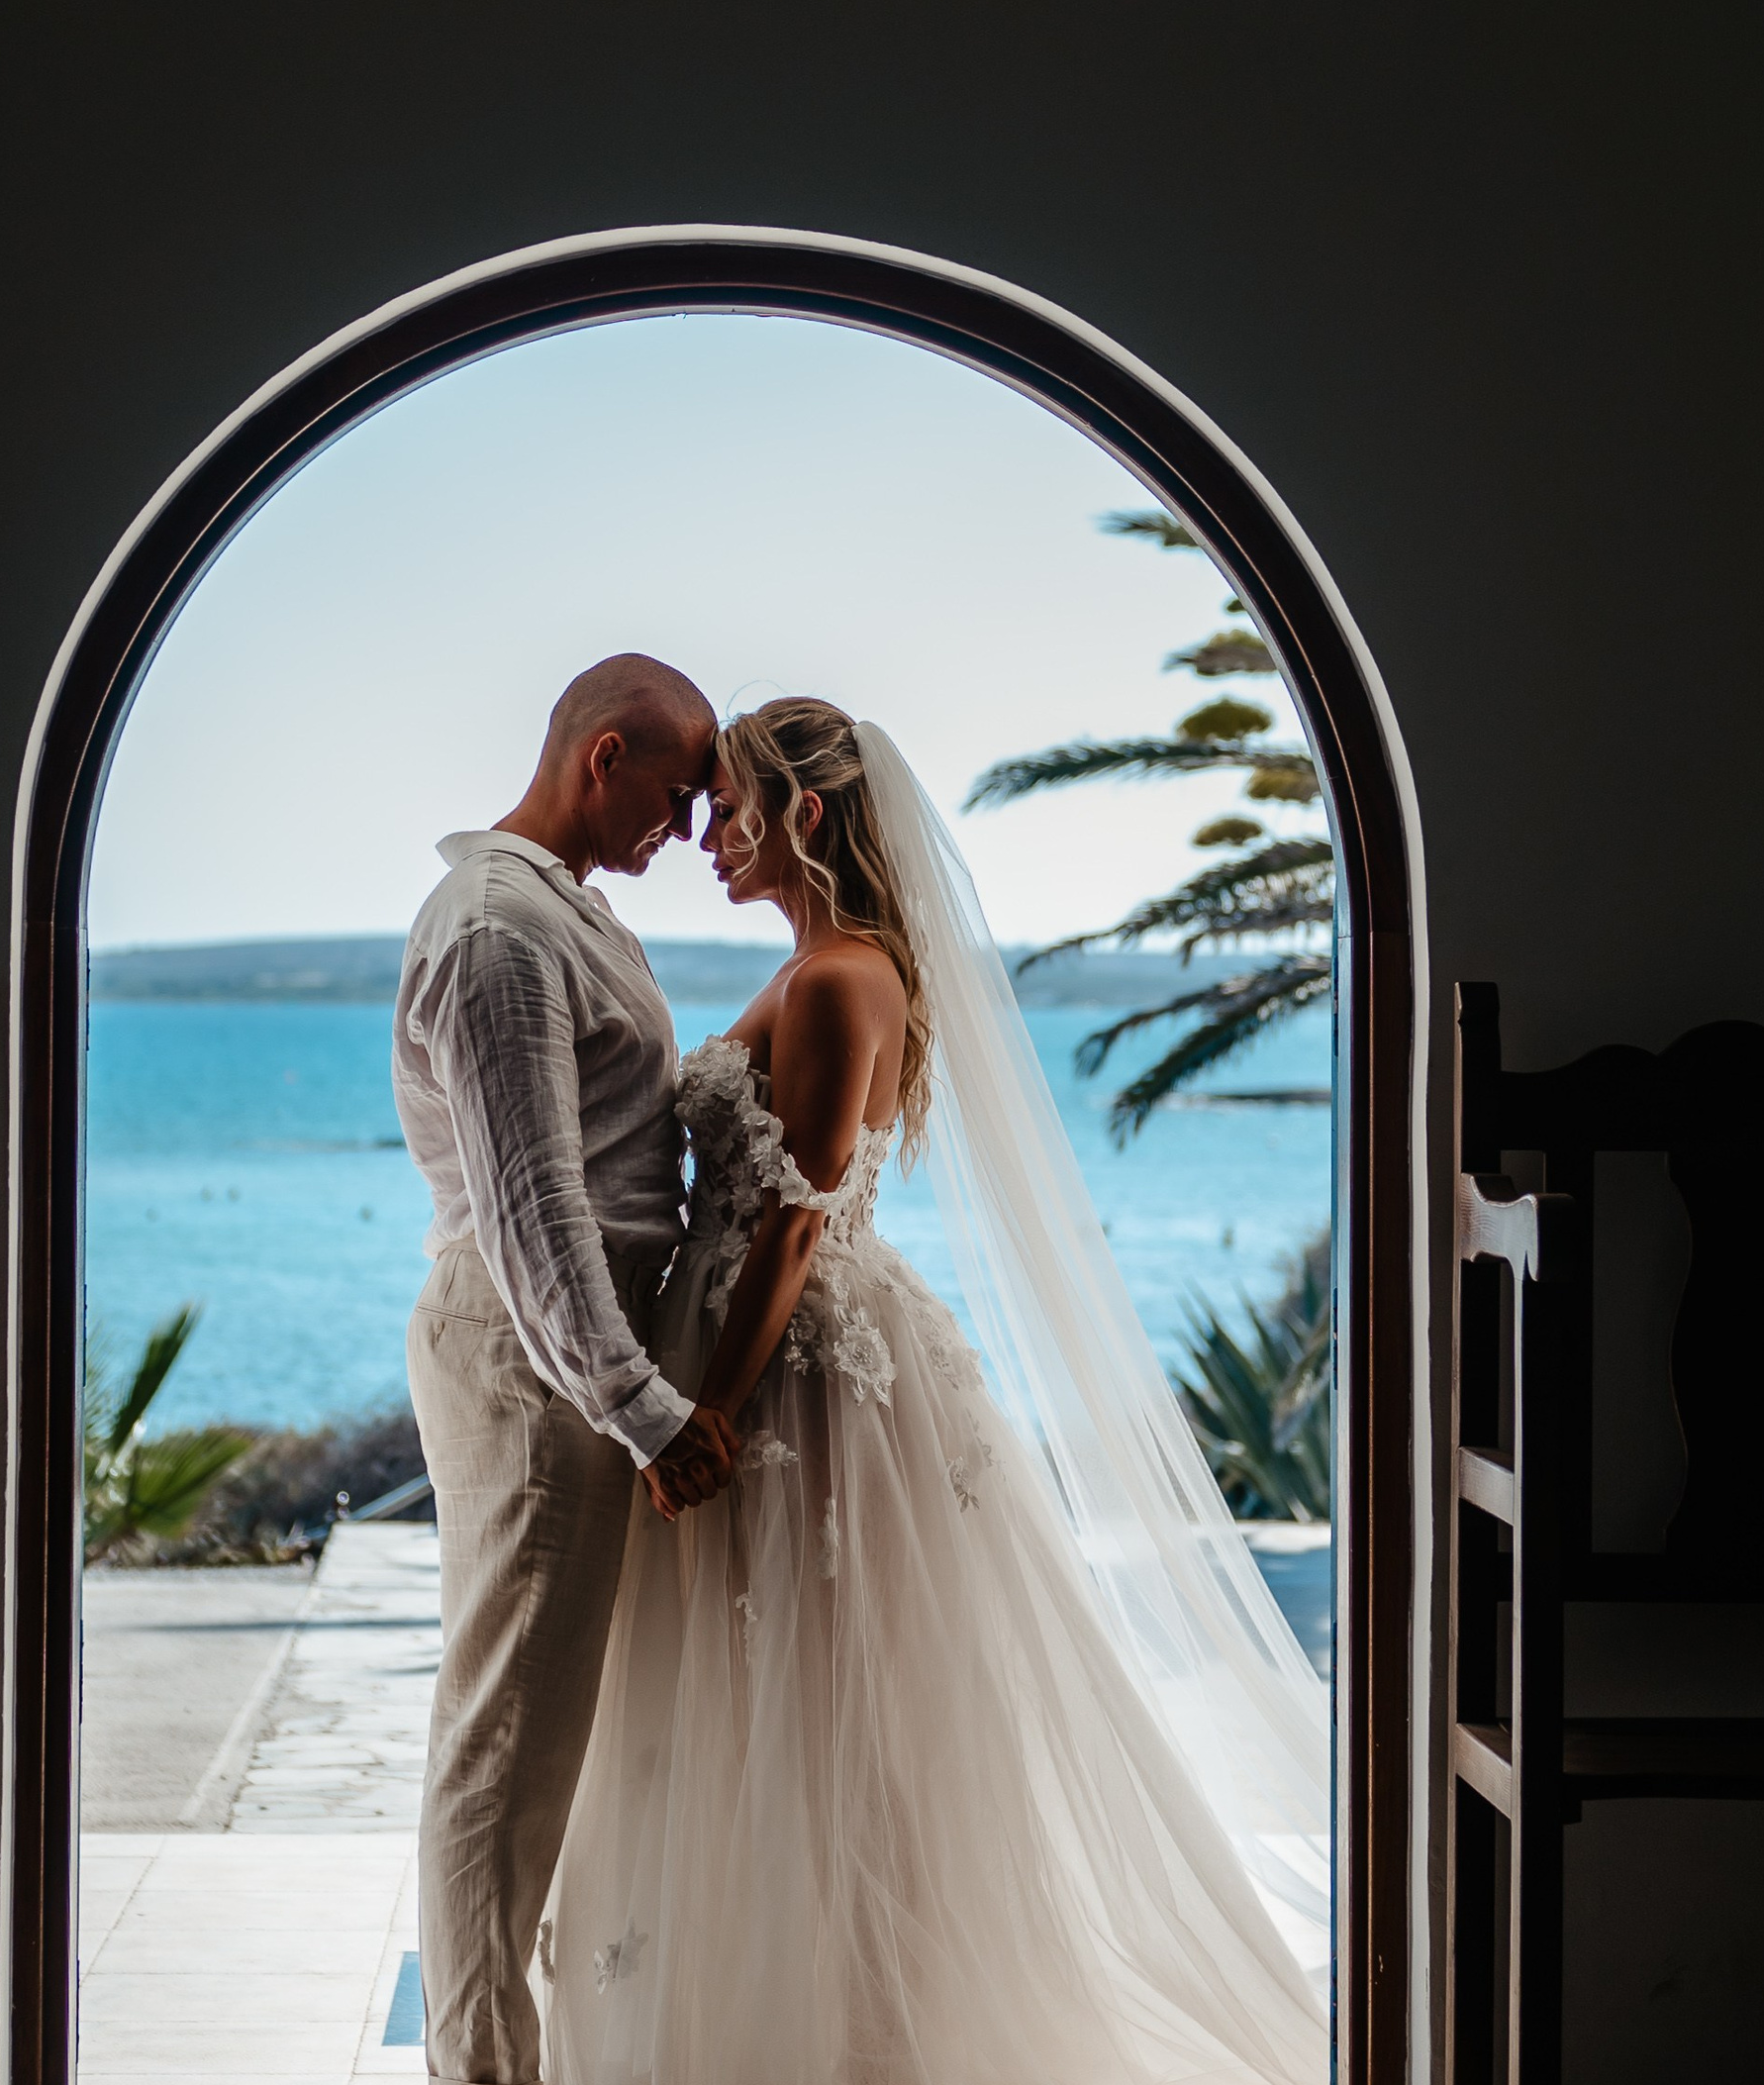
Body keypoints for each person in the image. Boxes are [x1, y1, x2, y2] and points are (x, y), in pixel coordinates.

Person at [543, 699, 1331, 2085]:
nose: (710, 834)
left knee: (826, 1716)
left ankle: (861, 2041)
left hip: (793, 1380)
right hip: (743, 1347)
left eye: (733, 808)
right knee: (755, 1708)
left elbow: (797, 1215)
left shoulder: (846, 977)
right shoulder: (817, 965)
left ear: (808, 814)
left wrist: (711, 1413)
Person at [395, 654, 740, 2085]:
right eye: (677, 791)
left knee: (548, 1735)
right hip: (535, 1355)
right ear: (604, 757)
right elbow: (535, 1209)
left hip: (567, 1342)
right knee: (507, 1746)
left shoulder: (569, 917)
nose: (689, 824)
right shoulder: (497, 933)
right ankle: (479, 2073)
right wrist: (647, 1410)